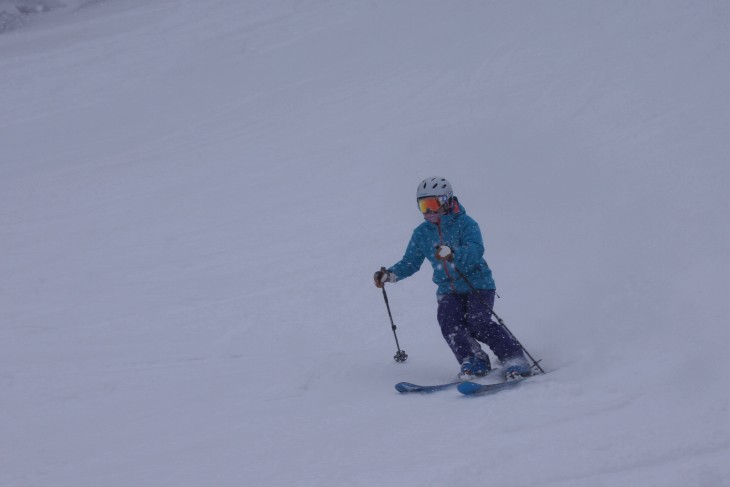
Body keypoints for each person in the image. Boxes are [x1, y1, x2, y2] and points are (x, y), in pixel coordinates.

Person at [374, 177, 531, 380]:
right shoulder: (421, 233)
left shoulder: (465, 224)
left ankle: (514, 359)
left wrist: (454, 253)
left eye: (432, 204)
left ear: (446, 201)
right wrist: (390, 274)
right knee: (449, 323)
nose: (428, 211)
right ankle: (473, 360)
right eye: (423, 205)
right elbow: (411, 262)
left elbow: (475, 249)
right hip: (448, 289)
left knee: (478, 323)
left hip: (477, 285)